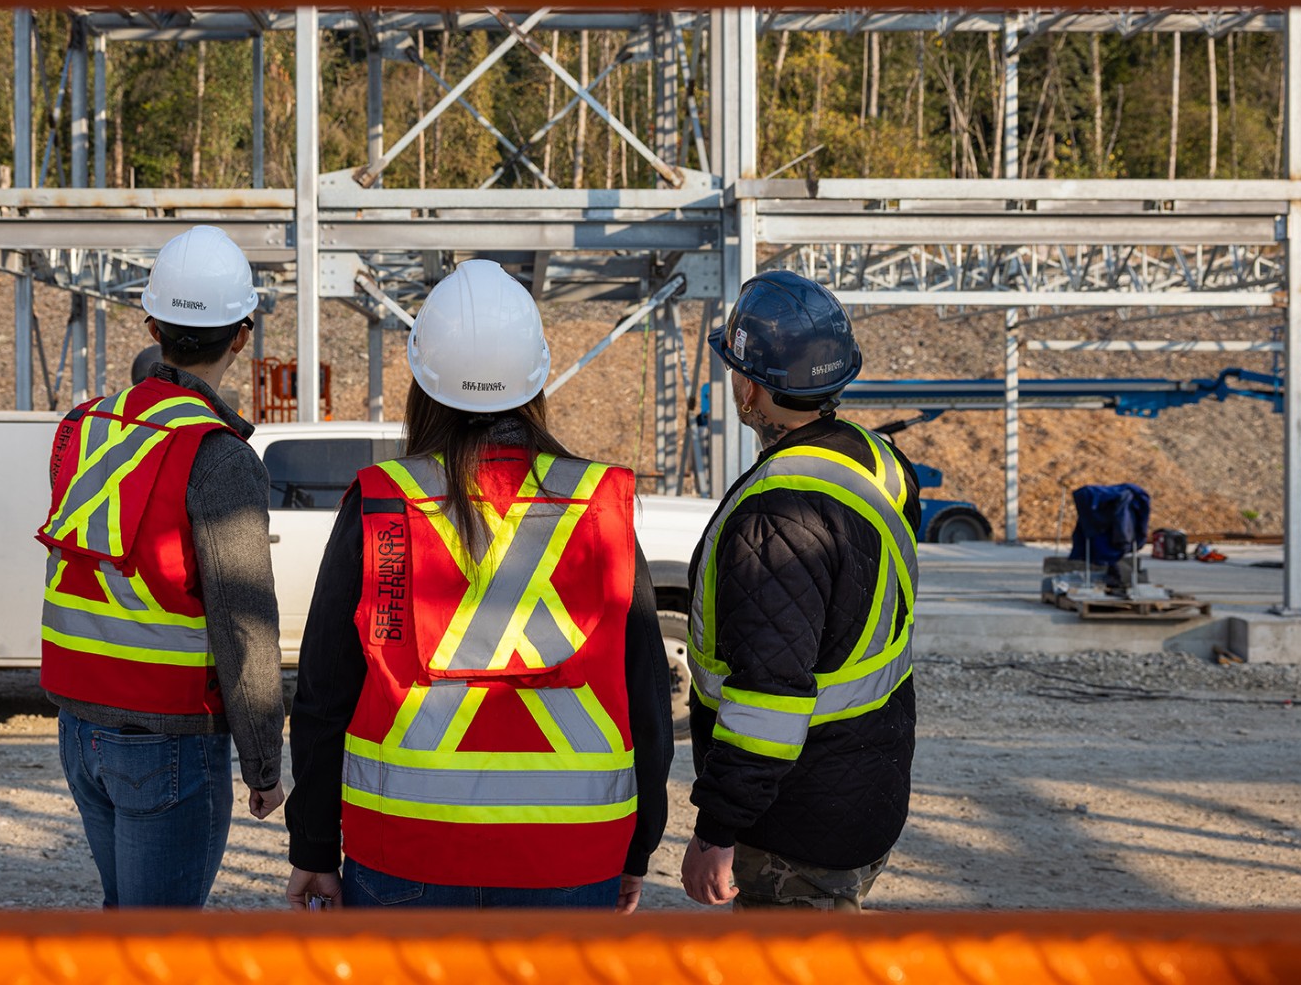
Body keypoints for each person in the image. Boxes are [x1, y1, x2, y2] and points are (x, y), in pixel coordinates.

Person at [283, 259, 671, 912]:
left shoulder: (385, 503)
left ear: (422, 381)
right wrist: (638, 845)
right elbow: (647, 695)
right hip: (573, 855)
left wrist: (315, 849)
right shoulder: (600, 504)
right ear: (537, 378)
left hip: (405, 850)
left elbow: (324, 693)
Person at [37, 224, 286, 908]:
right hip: (166, 740)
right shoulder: (219, 456)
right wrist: (264, 761)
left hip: (80, 727)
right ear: (243, 334)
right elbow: (244, 623)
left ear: (151, 325)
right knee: (160, 950)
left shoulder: (86, 426)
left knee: (128, 928)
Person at [679, 270, 918, 912]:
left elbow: (767, 699)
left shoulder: (777, 515)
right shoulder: (878, 461)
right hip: (867, 783)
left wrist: (717, 830)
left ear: (751, 384)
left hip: (800, 820)